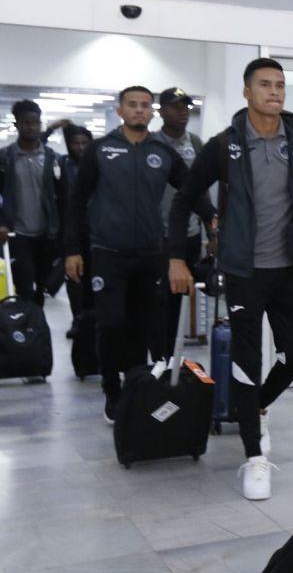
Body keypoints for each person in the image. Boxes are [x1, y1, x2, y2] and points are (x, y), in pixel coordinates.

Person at [168, 58, 293, 501]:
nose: (274, 92)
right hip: (243, 271)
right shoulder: (224, 146)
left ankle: (255, 405)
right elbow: (184, 199)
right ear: (247, 92)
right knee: (245, 361)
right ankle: (254, 456)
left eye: (280, 85)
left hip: (289, 269)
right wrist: (177, 259)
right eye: (265, 85)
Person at [65, 86, 215, 423]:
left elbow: (190, 189)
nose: (139, 111)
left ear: (152, 112)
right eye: (132, 105)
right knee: (112, 323)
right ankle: (112, 390)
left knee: (152, 325)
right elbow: (75, 203)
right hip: (107, 253)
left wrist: (212, 217)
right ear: (120, 111)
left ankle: (146, 386)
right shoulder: (101, 150)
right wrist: (72, 249)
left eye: (145, 106)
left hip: (150, 253)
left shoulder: (162, 152)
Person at [0, 100, 63, 306]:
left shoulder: (51, 158)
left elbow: (63, 197)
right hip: (17, 235)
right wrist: (0, 223)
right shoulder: (4, 158)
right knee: (25, 288)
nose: (31, 127)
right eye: (26, 122)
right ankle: (28, 329)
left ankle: (35, 331)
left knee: (42, 290)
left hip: (47, 235)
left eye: (35, 122)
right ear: (17, 124)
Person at [154, 87, 204, 357]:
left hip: (190, 233)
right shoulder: (152, 144)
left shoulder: (195, 143)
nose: (183, 111)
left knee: (179, 300)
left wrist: (210, 231)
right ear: (161, 112)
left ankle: (172, 359)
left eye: (186, 106)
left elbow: (203, 189)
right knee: (159, 300)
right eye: (175, 106)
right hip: (159, 234)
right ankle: (159, 357)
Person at [60, 125, 94, 327]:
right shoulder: (61, 165)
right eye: (76, 143)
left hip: (95, 228)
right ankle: (78, 318)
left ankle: (90, 318)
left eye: (84, 143)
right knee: (74, 276)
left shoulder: (98, 166)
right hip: (70, 229)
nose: (80, 148)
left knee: (92, 276)